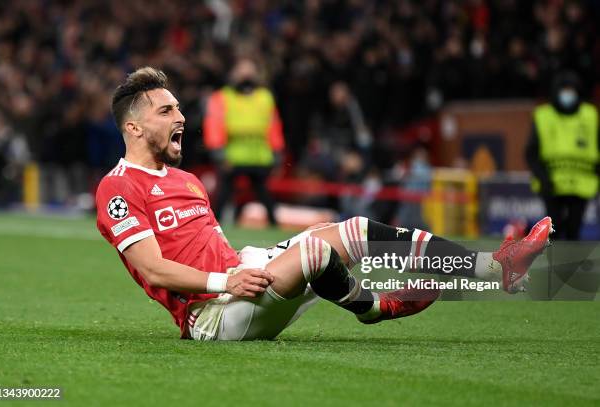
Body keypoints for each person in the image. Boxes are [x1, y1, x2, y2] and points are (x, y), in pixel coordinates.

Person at [96, 67, 553, 341]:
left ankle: (495, 267)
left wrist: (242, 268)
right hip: (212, 316)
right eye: (166, 112)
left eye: (178, 108)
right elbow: (154, 269)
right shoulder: (117, 189)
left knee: (353, 229)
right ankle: (374, 307)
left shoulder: (187, 180)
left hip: (244, 278)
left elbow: (212, 251)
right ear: (133, 128)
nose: (181, 118)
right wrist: (227, 280)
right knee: (316, 253)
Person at [203, 57, 284, 226]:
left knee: (264, 194)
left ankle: (275, 227)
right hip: (232, 155)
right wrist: (218, 153)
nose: (246, 74)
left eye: (249, 70)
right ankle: (212, 228)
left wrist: (277, 152)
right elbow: (214, 125)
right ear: (234, 73)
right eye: (242, 70)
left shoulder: (265, 97)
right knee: (223, 195)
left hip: (259, 155)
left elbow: (274, 126)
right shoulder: (222, 97)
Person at [526, 71, 599, 240]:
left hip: (582, 184)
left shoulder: (590, 116)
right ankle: (556, 265)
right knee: (554, 229)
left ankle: (569, 264)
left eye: (571, 90)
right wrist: (543, 178)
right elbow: (531, 152)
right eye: (564, 90)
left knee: (574, 230)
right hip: (551, 184)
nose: (568, 95)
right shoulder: (543, 116)